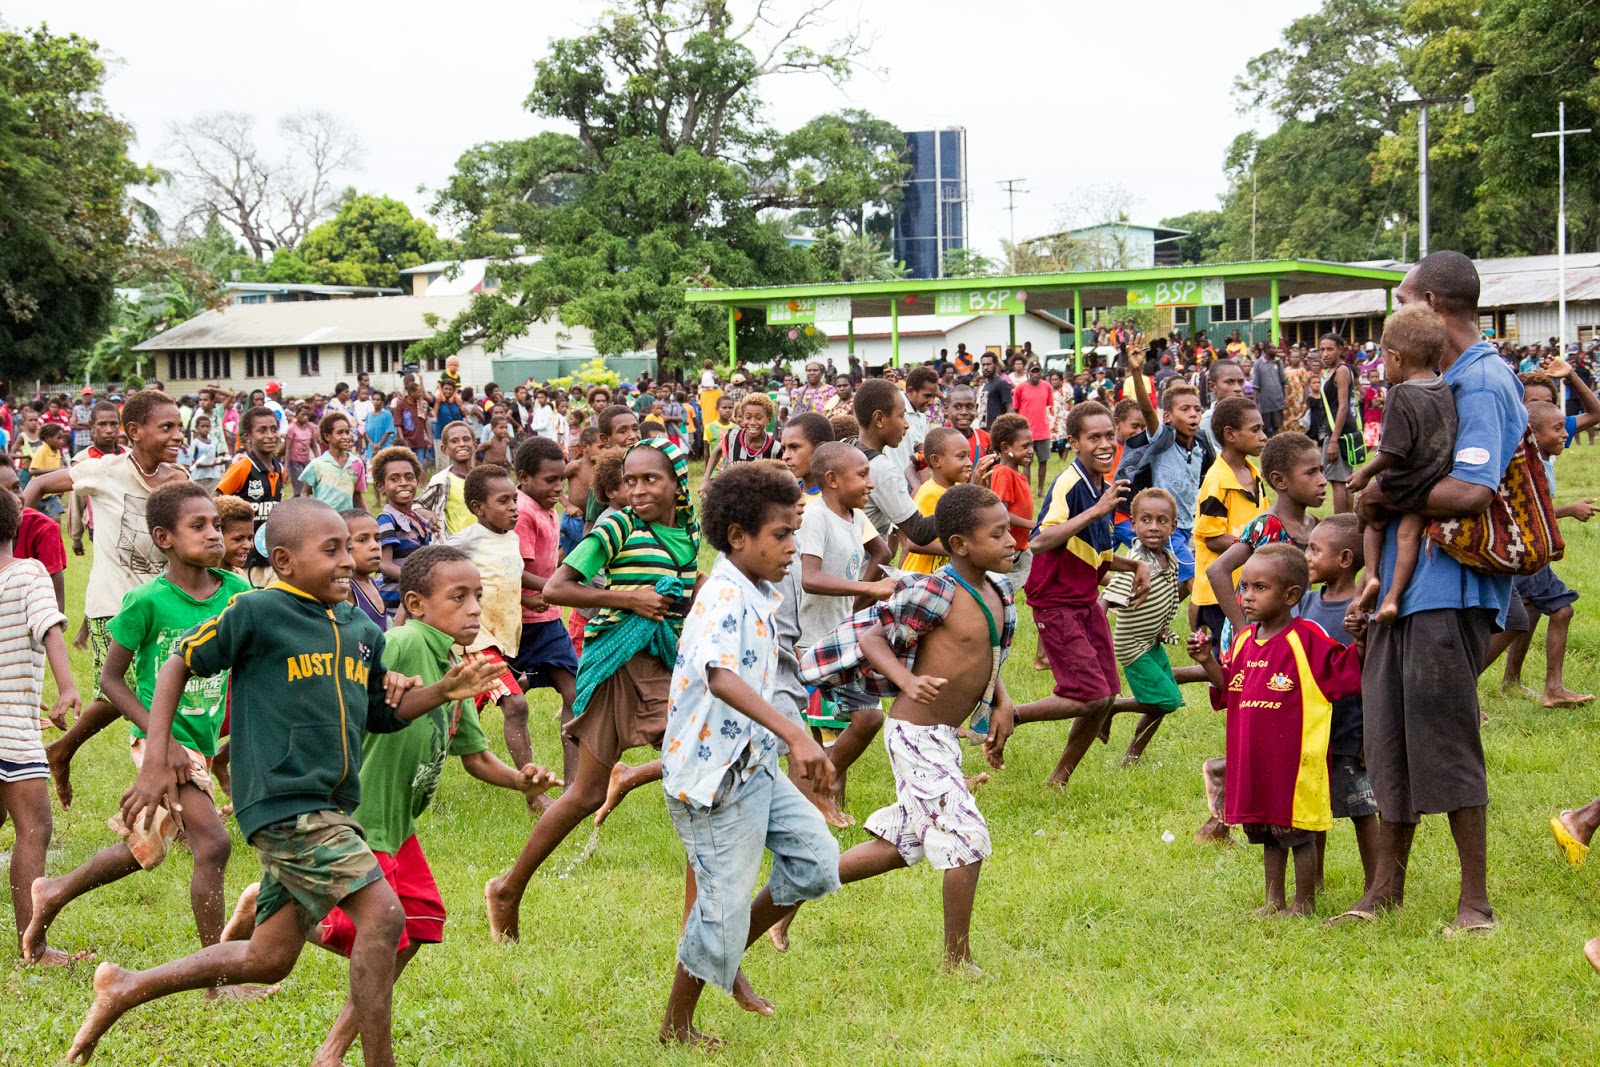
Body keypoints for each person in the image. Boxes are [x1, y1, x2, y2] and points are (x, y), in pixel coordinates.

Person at [64, 498, 503, 1065]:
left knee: (267, 958)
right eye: (332, 550)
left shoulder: (358, 628)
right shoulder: (257, 611)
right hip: (283, 800)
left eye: (350, 547)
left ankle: (124, 987)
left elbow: (379, 714)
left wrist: (442, 692)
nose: (348, 560)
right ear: (285, 560)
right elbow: (177, 662)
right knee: (386, 915)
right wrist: (156, 757)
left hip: (332, 804)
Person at [301, 544, 558, 1066]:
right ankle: (282, 905)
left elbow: (476, 757)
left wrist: (523, 781)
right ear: (416, 603)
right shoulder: (402, 641)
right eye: (457, 597)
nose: (473, 609)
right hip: (363, 816)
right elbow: (349, 680)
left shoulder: (456, 664)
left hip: (400, 823)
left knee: (417, 923)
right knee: (372, 935)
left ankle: (331, 1050)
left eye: (478, 597)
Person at [1338, 250, 1525, 936]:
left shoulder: (1482, 382)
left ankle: (1475, 903)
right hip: (1404, 589)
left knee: (1444, 736)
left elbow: (1473, 490)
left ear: (1437, 309)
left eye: (1403, 301)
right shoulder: (1437, 382)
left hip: (1450, 589)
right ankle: (1384, 887)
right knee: (1388, 737)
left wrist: (1384, 492)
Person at [23, 486, 255, 985]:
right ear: (163, 538)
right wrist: (160, 740)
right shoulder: (146, 601)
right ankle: (218, 978)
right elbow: (110, 680)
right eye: (200, 526)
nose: (214, 534)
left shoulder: (237, 593)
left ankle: (55, 890)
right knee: (212, 843)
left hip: (200, 737)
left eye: (216, 524)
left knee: (142, 850)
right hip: (160, 740)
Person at [484, 439, 701, 945]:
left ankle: (701, 925)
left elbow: (684, 592)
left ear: (677, 483)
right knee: (584, 796)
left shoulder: (688, 535)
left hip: (665, 664)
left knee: (698, 776)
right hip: (616, 667)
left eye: (652, 479)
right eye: (631, 480)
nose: (639, 489)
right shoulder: (617, 525)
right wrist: (625, 597)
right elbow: (557, 588)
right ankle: (508, 890)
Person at [791, 483, 1017, 970]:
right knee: (966, 839)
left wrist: (1002, 701)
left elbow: (987, 654)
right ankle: (958, 961)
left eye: (1010, 530)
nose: (1011, 541)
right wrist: (906, 682)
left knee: (899, 846)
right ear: (959, 545)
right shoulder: (936, 590)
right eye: (997, 534)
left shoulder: (998, 590)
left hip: (940, 738)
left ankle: (785, 898)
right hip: (915, 736)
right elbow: (874, 638)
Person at [658, 462, 838, 1046]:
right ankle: (676, 1028)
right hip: (714, 780)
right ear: (739, 537)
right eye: (782, 535)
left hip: (751, 765)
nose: (792, 546)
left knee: (815, 860)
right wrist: (797, 733)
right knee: (720, 905)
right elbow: (720, 678)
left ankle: (729, 955)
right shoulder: (722, 596)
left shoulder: (755, 589)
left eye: (795, 532)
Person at [22, 391, 189, 811]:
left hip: (163, 601)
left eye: (177, 427)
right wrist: (19, 540)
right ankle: (170, 789)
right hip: (111, 603)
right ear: (134, 432)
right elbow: (41, 483)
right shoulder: (103, 470)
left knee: (153, 692)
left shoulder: (177, 479)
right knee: (131, 689)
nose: (176, 435)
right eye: (166, 427)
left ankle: (61, 751)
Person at [1188, 544, 1364, 917]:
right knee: (1269, 834)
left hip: (1294, 764)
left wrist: (1362, 638)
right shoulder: (1243, 641)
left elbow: (1346, 673)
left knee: (1298, 835)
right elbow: (1230, 688)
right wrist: (1207, 661)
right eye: (1245, 587)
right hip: (1254, 760)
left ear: (1290, 596)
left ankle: (1304, 903)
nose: (1247, 596)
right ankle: (1273, 902)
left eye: (1259, 588)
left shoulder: (1308, 638)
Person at [1002, 402, 1149, 789]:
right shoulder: (1071, 483)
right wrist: (1096, 511)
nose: (1104, 444)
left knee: (1104, 697)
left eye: (1108, 436)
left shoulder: (1102, 484)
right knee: (1090, 694)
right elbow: (1040, 540)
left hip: (1084, 603)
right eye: (1093, 437)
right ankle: (1011, 714)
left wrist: (1135, 566)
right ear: (1074, 442)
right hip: (1056, 603)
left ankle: (1058, 780)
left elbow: (1094, 555)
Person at [0, 486, 80, 966]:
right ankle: (35, 948)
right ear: (18, 525)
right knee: (34, 829)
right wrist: (68, 686)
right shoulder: (27, 571)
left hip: (11, 720)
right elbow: (50, 626)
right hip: (10, 724)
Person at [795, 442, 896, 819]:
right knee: (830, 727)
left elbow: (881, 551)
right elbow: (810, 578)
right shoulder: (816, 516)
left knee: (860, 719)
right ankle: (822, 798)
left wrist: (857, 607)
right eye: (863, 475)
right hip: (811, 640)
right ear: (833, 480)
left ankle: (830, 791)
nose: (870, 483)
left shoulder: (855, 516)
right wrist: (868, 590)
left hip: (841, 636)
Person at [1346, 305, 1457, 626]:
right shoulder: (1443, 387)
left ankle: (1372, 576)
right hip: (1436, 481)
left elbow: (1394, 451)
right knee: (1408, 534)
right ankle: (1393, 598)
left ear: (1395, 358)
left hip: (1403, 481)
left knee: (1370, 516)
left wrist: (1366, 472)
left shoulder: (1401, 394)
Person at [1489, 402, 1591, 707]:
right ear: (1532, 432)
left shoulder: (1540, 462)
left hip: (1529, 554)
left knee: (1526, 615)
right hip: (1525, 555)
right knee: (1557, 610)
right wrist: (1570, 510)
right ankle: (1552, 689)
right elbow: (1525, 514)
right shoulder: (1525, 466)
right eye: (1558, 429)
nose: (1565, 434)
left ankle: (1513, 682)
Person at [1299, 513, 1380, 894]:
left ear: (1345, 559)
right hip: (1316, 729)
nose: (1307, 556)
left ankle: (1377, 885)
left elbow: (1373, 673)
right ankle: (1313, 882)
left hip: (1353, 724)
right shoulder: (1308, 602)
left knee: (1363, 809)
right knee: (1314, 810)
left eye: (1315, 550)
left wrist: (1370, 734)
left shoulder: (1363, 611)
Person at [1098, 489, 1187, 766]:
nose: (1154, 527)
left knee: (1159, 705)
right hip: (1132, 646)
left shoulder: (1169, 560)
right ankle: (1112, 708)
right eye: (1146, 520)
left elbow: (1169, 594)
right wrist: (1097, 641)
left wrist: (1161, 626)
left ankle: (1132, 756)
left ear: (1173, 526)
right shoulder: (1137, 564)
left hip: (1152, 641)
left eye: (1162, 521)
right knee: (1167, 700)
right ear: (1133, 524)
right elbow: (1106, 599)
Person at [855, 380, 943, 560]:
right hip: (860, 579)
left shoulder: (849, 446)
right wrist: (960, 502)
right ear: (879, 419)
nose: (907, 424)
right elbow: (919, 532)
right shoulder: (880, 469)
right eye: (902, 416)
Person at [215, 406, 286, 589]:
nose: (270, 435)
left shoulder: (280, 470)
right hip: (245, 558)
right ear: (248, 436)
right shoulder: (243, 467)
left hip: (269, 553)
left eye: (274, 429)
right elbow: (215, 500)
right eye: (262, 430)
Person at [901, 428, 970, 573]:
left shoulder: (957, 489)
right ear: (936, 461)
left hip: (940, 577)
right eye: (961, 457)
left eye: (968, 456)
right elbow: (913, 544)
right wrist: (955, 550)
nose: (969, 462)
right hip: (920, 581)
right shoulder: (930, 493)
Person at [373, 447, 432, 613]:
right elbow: (384, 564)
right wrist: (417, 580)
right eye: (394, 479)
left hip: (416, 600)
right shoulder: (387, 520)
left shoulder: (420, 521)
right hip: (393, 602)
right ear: (381, 486)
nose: (403, 483)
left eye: (409, 477)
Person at [1308, 333, 1361, 513]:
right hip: (1336, 432)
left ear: (1340, 349)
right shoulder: (1331, 371)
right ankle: (1347, 521)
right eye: (1322, 350)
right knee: (1342, 478)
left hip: (1339, 433)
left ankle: (1341, 522)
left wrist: (1333, 440)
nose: (1325, 354)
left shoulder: (1341, 371)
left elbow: (1343, 406)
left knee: (1339, 481)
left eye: (1330, 349)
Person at [985, 414, 1037, 589]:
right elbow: (1001, 514)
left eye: (1032, 445)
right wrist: (1033, 525)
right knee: (1003, 592)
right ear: (1006, 447)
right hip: (1008, 551)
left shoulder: (1017, 474)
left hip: (1020, 548)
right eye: (1025, 446)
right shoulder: (1005, 473)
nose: (1031, 450)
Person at [298, 411, 368, 513]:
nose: (345, 437)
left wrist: (369, 518)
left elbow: (357, 495)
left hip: (346, 520)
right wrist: (310, 513)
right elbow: (304, 492)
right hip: (323, 520)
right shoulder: (317, 464)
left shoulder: (356, 463)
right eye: (339, 433)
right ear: (327, 436)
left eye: (347, 432)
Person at [423, 421, 478, 536]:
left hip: (483, 544)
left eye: (466, 439)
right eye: (454, 441)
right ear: (445, 449)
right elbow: (417, 505)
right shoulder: (440, 480)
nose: (461, 444)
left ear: (475, 445)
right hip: (455, 547)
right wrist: (427, 514)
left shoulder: (483, 479)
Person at [1013, 362, 1056, 495]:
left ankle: (1040, 490)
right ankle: (1027, 490)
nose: (1035, 375)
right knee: (1026, 463)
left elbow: (1050, 406)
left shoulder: (1047, 387)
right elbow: (1015, 408)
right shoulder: (1020, 388)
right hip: (1026, 432)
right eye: (1033, 371)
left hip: (1043, 430)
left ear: (1041, 372)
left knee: (1043, 461)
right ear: (1028, 373)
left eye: (1038, 372)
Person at [1197, 359, 1246, 452]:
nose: (1238, 388)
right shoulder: (1205, 423)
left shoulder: (1247, 418)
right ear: (1212, 387)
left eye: (1240, 382)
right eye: (1229, 382)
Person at [1251, 347, 1289, 435]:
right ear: (1265, 351)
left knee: (1277, 426)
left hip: (1277, 402)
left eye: (1275, 348)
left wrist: (1286, 398)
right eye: (1272, 348)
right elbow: (1256, 384)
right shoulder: (1258, 363)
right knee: (1264, 428)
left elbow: (1284, 382)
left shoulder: (1278, 363)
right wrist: (1255, 402)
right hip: (1264, 403)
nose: (1275, 350)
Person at [979, 352, 1013, 429]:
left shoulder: (1001, 383)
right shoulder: (986, 386)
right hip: (985, 430)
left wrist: (1008, 429)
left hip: (997, 431)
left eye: (988, 364)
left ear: (996, 365)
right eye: (983, 365)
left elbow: (1010, 408)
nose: (985, 368)